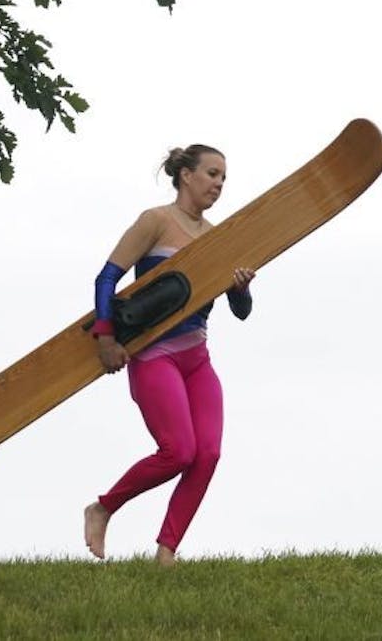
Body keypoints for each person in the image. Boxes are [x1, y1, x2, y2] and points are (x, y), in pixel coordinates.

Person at [82, 144, 255, 566]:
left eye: (223, 178)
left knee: (208, 453)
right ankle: (103, 508)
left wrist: (241, 287)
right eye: (212, 174)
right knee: (178, 451)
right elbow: (107, 278)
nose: (218, 184)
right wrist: (106, 339)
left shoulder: (218, 236)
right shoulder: (155, 222)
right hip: (153, 355)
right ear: (186, 176)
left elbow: (242, 312)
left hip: (197, 356)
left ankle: (166, 552)